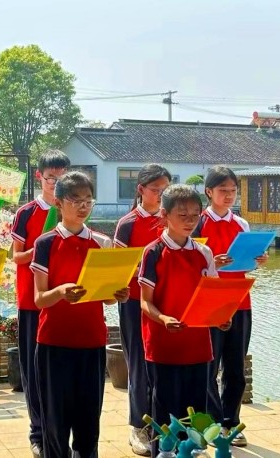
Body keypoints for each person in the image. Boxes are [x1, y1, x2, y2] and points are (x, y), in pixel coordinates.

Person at [31, 171, 129, 458]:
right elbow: (39, 298)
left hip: (91, 340)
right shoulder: (46, 243)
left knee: (88, 420)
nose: (83, 206)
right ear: (59, 203)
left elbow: (106, 298)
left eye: (88, 200)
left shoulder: (102, 242)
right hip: (54, 342)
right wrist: (61, 292)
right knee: (55, 420)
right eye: (76, 200)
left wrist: (117, 294)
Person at [138, 184, 229, 458]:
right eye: (183, 215)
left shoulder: (204, 253)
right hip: (163, 346)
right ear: (165, 215)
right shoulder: (153, 252)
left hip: (198, 346)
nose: (190, 221)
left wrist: (220, 318)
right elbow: (145, 302)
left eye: (195, 215)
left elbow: (211, 298)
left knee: (195, 415)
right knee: (166, 414)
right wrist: (163, 318)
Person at [193, 166, 268, 446]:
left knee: (235, 366)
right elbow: (190, 266)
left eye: (233, 191)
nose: (228, 195)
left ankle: (230, 423)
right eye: (222, 190)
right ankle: (212, 424)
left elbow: (246, 264)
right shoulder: (198, 224)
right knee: (209, 365)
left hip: (240, 298)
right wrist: (213, 263)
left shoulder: (241, 224)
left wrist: (258, 261)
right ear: (209, 192)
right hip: (210, 300)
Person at [11, 149, 70, 458]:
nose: (56, 183)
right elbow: (16, 256)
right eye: (51, 178)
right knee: (33, 372)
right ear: (39, 177)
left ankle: (59, 434)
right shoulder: (26, 213)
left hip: (63, 303)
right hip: (32, 303)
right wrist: (43, 246)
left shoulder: (70, 210)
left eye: (62, 178)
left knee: (60, 374)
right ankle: (38, 433)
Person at [113, 164, 171, 457]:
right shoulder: (127, 224)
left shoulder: (171, 219)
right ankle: (138, 425)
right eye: (155, 189)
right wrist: (145, 269)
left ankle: (165, 426)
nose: (160, 195)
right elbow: (117, 268)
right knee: (138, 363)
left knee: (163, 364)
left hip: (165, 303)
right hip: (135, 302)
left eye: (165, 190)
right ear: (140, 190)